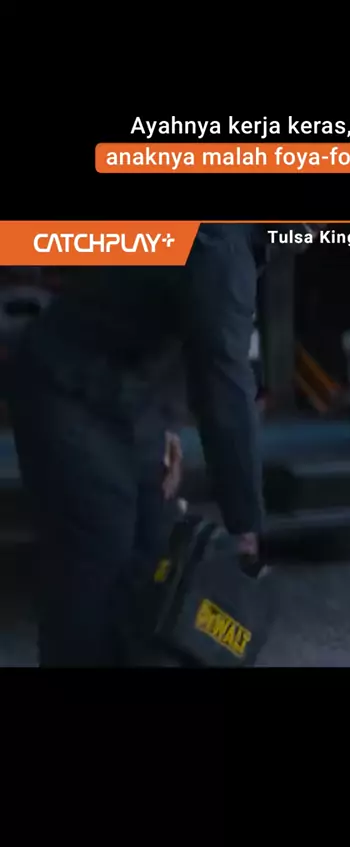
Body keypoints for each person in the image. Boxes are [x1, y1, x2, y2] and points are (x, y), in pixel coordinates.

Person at [9, 224, 269, 667]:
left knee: (156, 551)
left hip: (131, 393)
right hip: (67, 389)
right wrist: (244, 524)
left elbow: (184, 321)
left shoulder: (237, 242)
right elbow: (223, 385)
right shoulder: (220, 245)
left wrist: (166, 423)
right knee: (96, 565)